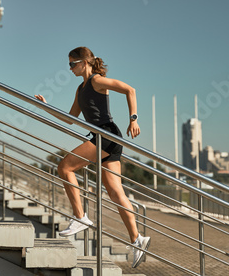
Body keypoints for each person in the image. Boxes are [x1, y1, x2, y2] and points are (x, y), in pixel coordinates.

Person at [35, 46, 150, 268]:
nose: (69, 68)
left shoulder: (97, 81)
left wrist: (133, 119)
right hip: (107, 138)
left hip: (106, 135)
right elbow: (70, 118)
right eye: (68, 65)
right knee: (115, 192)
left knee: (65, 168)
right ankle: (137, 239)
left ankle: (80, 217)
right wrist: (45, 107)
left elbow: (130, 90)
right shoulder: (80, 89)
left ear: (84, 62)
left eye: (72, 64)